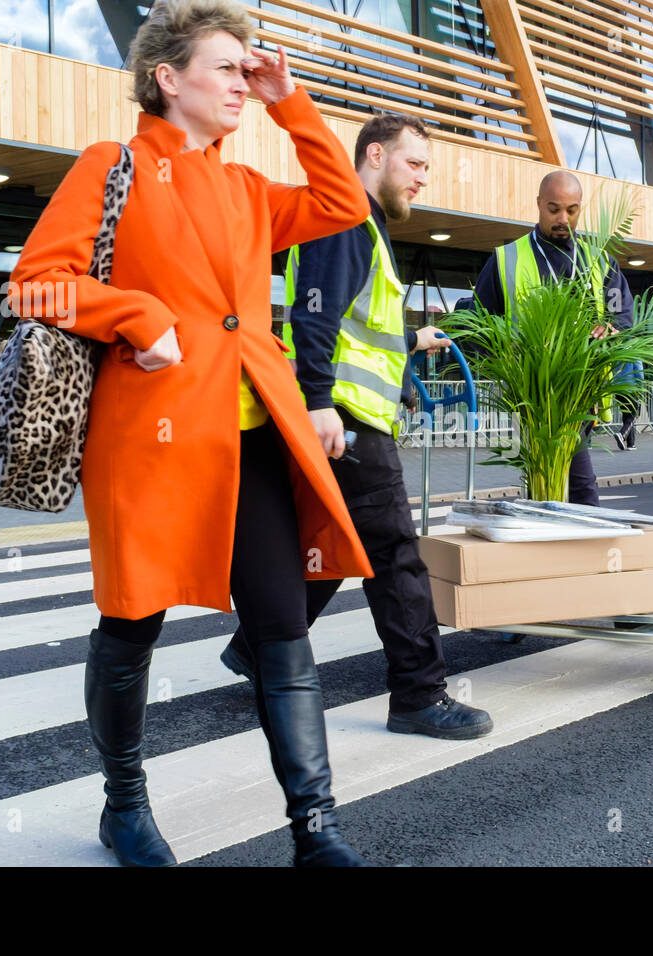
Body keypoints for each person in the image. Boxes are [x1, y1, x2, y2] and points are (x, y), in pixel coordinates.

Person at [9, 0, 375, 867]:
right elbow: (35, 285)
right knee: (132, 624)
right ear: (168, 78)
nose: (242, 82)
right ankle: (123, 806)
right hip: (150, 445)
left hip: (250, 443)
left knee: (285, 631)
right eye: (227, 68)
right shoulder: (114, 165)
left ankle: (316, 830)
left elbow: (343, 201)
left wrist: (291, 102)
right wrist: (134, 314)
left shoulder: (248, 187)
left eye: (249, 70)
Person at [220, 113, 493, 740]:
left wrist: (410, 338)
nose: (423, 179)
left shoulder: (360, 223)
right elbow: (315, 317)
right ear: (375, 155)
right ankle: (420, 697)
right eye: (415, 164)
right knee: (396, 557)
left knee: (338, 548)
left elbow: (352, 321)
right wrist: (318, 401)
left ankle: (255, 649)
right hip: (345, 419)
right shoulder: (345, 216)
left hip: (349, 414)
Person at [469, 170, 634, 505]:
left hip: (581, 397)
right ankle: (573, 546)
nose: (563, 219)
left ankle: (565, 546)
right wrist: (504, 350)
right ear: (538, 205)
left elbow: (624, 318)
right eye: (554, 209)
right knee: (570, 487)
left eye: (572, 210)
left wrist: (612, 330)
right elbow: (476, 326)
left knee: (564, 484)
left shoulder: (601, 261)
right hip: (534, 399)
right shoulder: (506, 260)